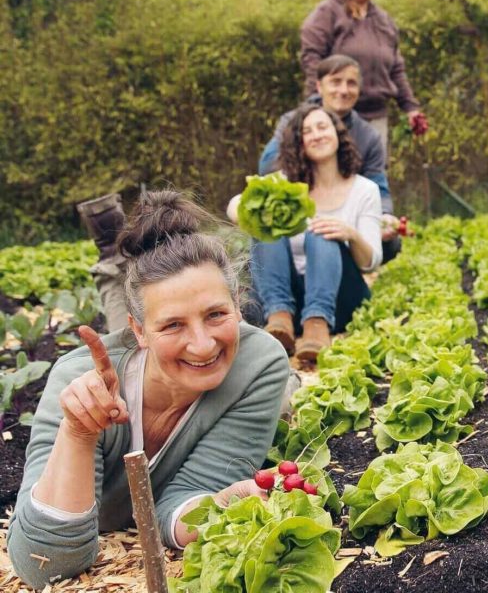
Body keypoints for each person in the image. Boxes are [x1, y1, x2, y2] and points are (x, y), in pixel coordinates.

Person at [8, 191, 291, 590]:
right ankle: (112, 260)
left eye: (216, 314)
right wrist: (79, 433)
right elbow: (42, 566)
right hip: (129, 353)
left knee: (283, 391)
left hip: (153, 349)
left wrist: (222, 504)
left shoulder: (259, 363)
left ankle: (126, 272)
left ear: (239, 305)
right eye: (174, 324)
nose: (204, 344)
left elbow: (178, 505)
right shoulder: (76, 380)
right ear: (138, 330)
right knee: (123, 344)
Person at [245, 104, 382, 360]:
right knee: (264, 224)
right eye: (307, 131)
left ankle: (318, 324)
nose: (316, 135)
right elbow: (238, 205)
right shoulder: (283, 184)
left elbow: (371, 263)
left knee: (321, 230)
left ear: (338, 134)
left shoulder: (365, 190)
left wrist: (350, 234)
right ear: (300, 142)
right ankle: (279, 319)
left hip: (339, 299)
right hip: (288, 298)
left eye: (322, 127)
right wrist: (242, 211)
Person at [260, 54, 401, 263]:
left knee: (391, 244)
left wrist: (385, 215)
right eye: (335, 82)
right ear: (319, 86)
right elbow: (267, 167)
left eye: (351, 83)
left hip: (346, 212)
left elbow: (378, 184)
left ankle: (353, 274)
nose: (343, 90)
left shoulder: (368, 136)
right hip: (299, 208)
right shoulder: (292, 122)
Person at [300, 0, 426, 153]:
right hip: (335, 115)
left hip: (376, 117)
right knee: (335, 176)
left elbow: (396, 69)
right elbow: (312, 60)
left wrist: (410, 108)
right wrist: (316, 107)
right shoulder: (327, 13)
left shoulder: (384, 21)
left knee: (373, 178)